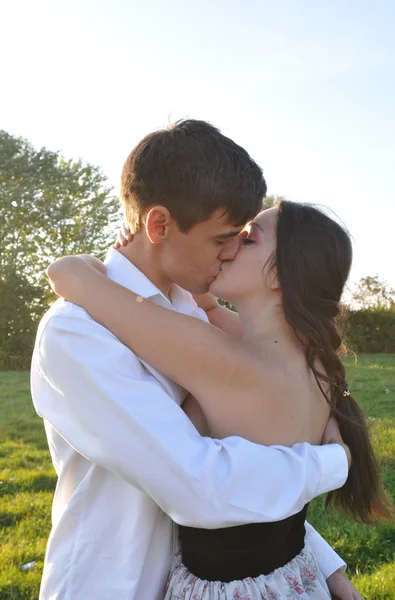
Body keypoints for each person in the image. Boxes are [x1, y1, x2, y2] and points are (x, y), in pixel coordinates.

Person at [32, 120, 359, 600]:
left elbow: (250, 460)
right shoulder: (78, 333)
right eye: (224, 237)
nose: (230, 253)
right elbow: (204, 487)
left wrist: (325, 567)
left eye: (242, 238)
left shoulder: (197, 314)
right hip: (118, 584)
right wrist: (330, 462)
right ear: (160, 225)